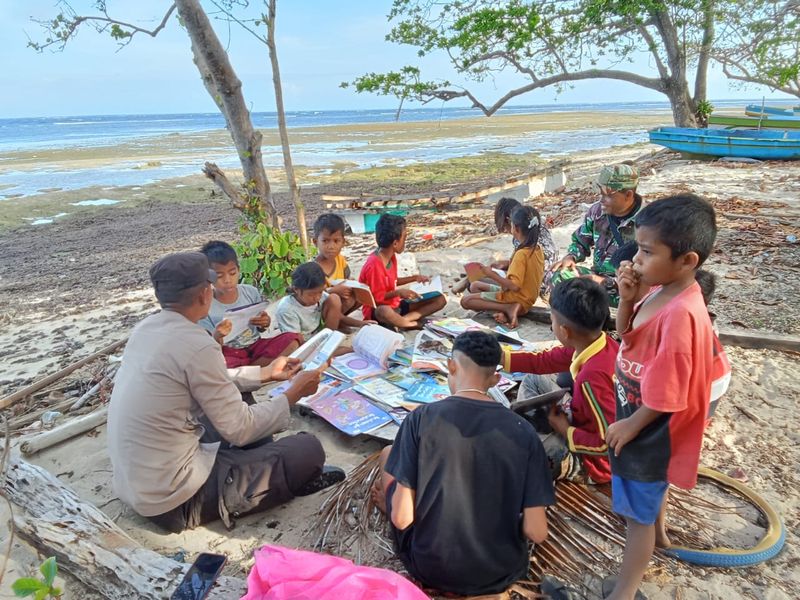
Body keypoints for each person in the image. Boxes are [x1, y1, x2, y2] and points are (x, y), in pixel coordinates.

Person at [108, 252, 345, 533]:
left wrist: (266, 373)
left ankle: (263, 459)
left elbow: (215, 381)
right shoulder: (197, 343)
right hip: (176, 499)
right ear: (203, 295)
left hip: (141, 484)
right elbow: (240, 429)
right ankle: (269, 468)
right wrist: (293, 393)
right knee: (308, 449)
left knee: (242, 400)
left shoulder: (146, 329)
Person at [371, 331, 555, 596]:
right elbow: (536, 532)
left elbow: (402, 519)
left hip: (431, 566)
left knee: (388, 453)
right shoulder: (523, 431)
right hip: (500, 570)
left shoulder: (421, 419)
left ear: (451, 366)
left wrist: (392, 503)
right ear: (495, 379)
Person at [603, 193, 717, 600]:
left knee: (637, 516)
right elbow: (626, 334)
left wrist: (630, 425)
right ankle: (663, 534)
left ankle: (624, 591)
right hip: (637, 408)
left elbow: (670, 395)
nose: (636, 260)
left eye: (648, 252)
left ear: (687, 261)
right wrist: (628, 299)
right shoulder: (659, 290)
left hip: (650, 427)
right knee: (652, 493)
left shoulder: (681, 314)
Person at [503, 278, 618, 484]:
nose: (552, 326)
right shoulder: (597, 343)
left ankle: (545, 446)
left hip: (593, 462)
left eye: (552, 321)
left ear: (565, 331)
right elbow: (544, 361)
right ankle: (533, 430)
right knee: (533, 380)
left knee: (524, 455)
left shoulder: (592, 379)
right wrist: (503, 358)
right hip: (580, 421)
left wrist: (565, 429)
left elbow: (607, 445)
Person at [549, 164, 643, 307]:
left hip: (626, 287)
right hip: (596, 278)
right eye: (601, 193)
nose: (602, 200)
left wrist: (606, 282)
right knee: (561, 275)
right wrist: (571, 257)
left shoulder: (648, 222)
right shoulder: (597, 212)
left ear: (628, 195)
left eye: (608, 195)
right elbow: (581, 242)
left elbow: (650, 272)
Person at [199, 240, 302, 368]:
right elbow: (210, 348)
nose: (228, 280)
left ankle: (252, 371)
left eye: (232, 273)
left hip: (255, 346)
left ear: (238, 269)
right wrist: (217, 335)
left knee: (292, 340)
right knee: (219, 365)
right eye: (220, 276)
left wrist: (264, 322)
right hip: (230, 352)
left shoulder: (250, 292)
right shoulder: (205, 306)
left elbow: (260, 328)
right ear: (209, 277)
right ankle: (259, 371)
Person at [460, 205, 545, 328]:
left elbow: (514, 286)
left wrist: (491, 274)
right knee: (474, 286)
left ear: (515, 228)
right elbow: (527, 269)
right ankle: (502, 312)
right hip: (528, 297)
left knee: (466, 301)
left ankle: (509, 308)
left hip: (517, 299)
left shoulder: (521, 254)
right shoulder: (536, 248)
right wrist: (507, 264)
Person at [358, 213, 446, 329]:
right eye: (404, 237)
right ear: (395, 243)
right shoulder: (374, 265)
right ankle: (410, 324)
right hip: (378, 312)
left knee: (440, 299)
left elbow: (392, 282)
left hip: (396, 305)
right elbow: (377, 298)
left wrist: (415, 278)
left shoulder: (391, 256)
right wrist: (399, 292)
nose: (405, 240)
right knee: (384, 311)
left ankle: (402, 321)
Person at [275, 261, 372, 337]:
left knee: (334, 298)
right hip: (302, 343)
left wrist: (361, 324)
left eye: (320, 292)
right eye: (311, 294)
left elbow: (339, 316)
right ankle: (328, 341)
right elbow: (293, 340)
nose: (317, 297)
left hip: (320, 335)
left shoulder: (321, 297)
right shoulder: (287, 309)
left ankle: (330, 336)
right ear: (296, 289)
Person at [492, 196, 559, 274]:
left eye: (505, 227)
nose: (507, 231)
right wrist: (508, 263)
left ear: (510, 221)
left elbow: (517, 281)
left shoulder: (523, 244)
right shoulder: (536, 227)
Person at [312, 213, 361, 316]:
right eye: (325, 241)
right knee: (337, 299)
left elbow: (346, 278)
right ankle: (334, 323)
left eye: (336, 241)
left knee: (359, 296)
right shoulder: (313, 269)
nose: (331, 246)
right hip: (319, 310)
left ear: (343, 242)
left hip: (339, 303)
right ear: (315, 242)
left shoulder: (340, 260)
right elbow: (312, 295)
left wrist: (350, 283)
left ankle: (341, 321)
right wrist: (333, 291)